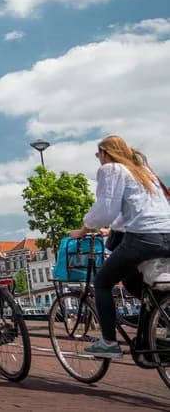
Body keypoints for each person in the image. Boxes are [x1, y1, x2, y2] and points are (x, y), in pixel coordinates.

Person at [69, 136, 170, 359]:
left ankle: (108, 343)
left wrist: (83, 229)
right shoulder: (144, 172)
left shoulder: (112, 169)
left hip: (144, 237)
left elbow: (106, 210)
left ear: (106, 153)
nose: (99, 159)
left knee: (102, 283)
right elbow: (137, 209)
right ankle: (149, 339)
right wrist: (112, 228)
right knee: (141, 286)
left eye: (98, 154)